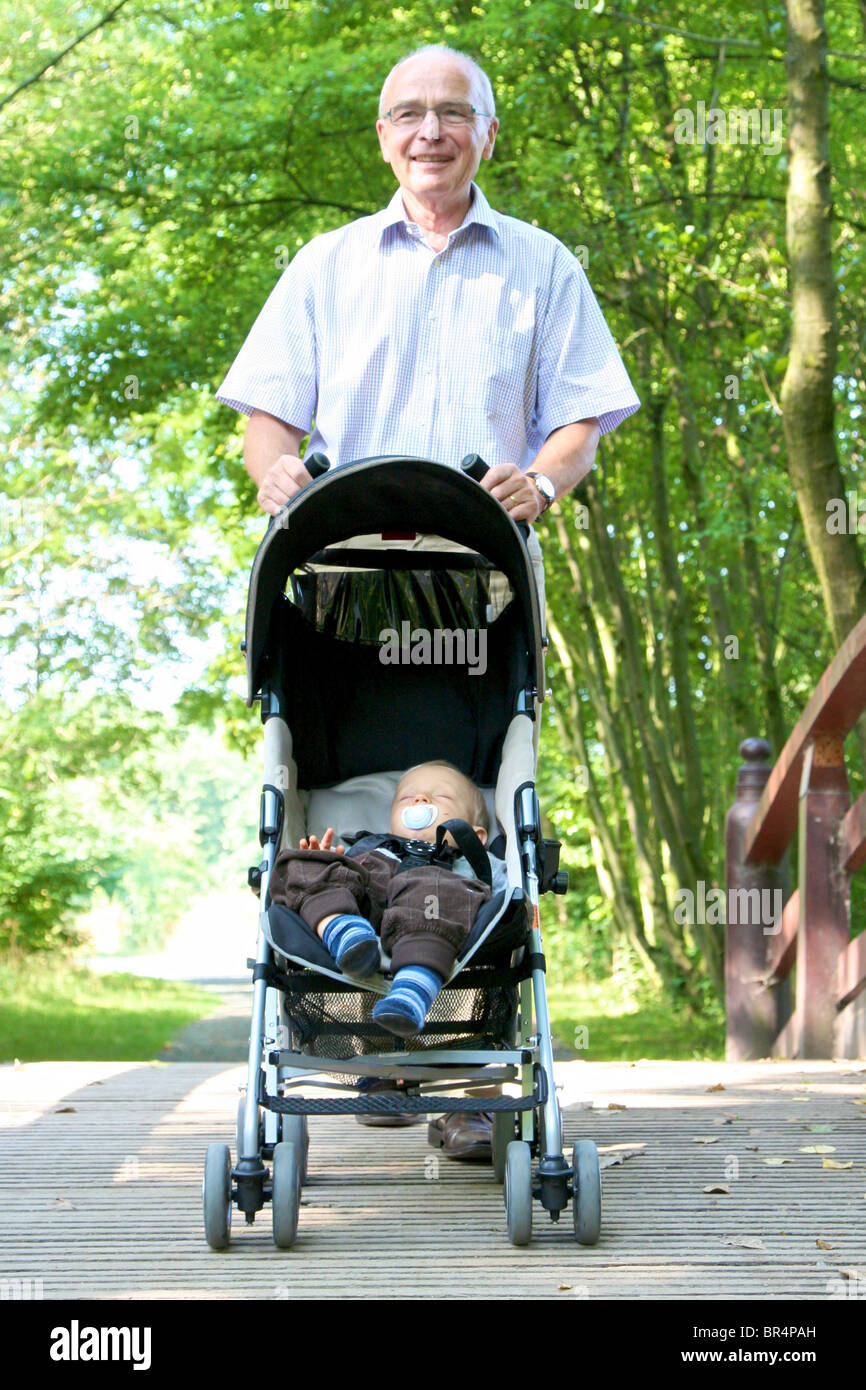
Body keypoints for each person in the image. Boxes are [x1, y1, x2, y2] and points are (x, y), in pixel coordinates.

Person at [217, 42, 641, 1151]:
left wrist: (542, 476)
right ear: (382, 135)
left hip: (481, 576)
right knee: (340, 797)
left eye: (453, 112)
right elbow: (267, 410)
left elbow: (582, 418)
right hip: (346, 582)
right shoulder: (326, 263)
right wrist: (274, 471)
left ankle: (464, 1076)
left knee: (471, 804)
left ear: (485, 134)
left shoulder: (541, 264)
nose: (429, 131)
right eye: (407, 112)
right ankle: (375, 1042)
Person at [268, 761, 505, 1037]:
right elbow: (328, 881)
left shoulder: (474, 864)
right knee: (300, 864)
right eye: (406, 797)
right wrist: (322, 860)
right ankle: (344, 932)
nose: (420, 799)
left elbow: (507, 894)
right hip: (363, 911)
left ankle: (412, 990)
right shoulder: (371, 848)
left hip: (431, 917)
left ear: (476, 836)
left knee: (433, 884)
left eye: (441, 797)